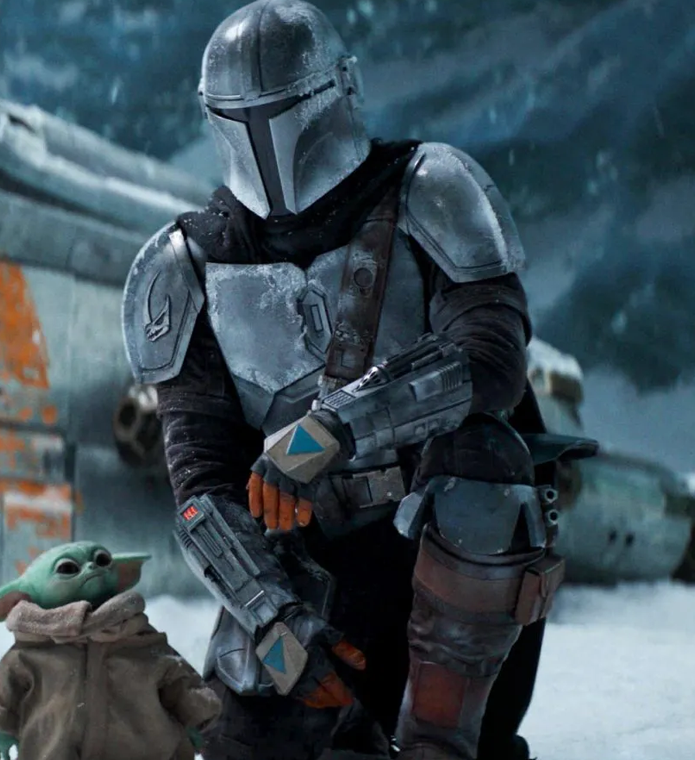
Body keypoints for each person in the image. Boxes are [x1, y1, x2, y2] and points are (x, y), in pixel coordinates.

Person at [122, 2, 593, 757]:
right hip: (304, 572)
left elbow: (490, 361)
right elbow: (202, 487)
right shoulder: (183, 267)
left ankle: (442, 740)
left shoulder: (432, 190)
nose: (269, 143)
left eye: (282, 112)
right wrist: (273, 620)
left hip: (445, 558)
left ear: (341, 89)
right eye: (246, 120)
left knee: (482, 457)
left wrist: (332, 427)